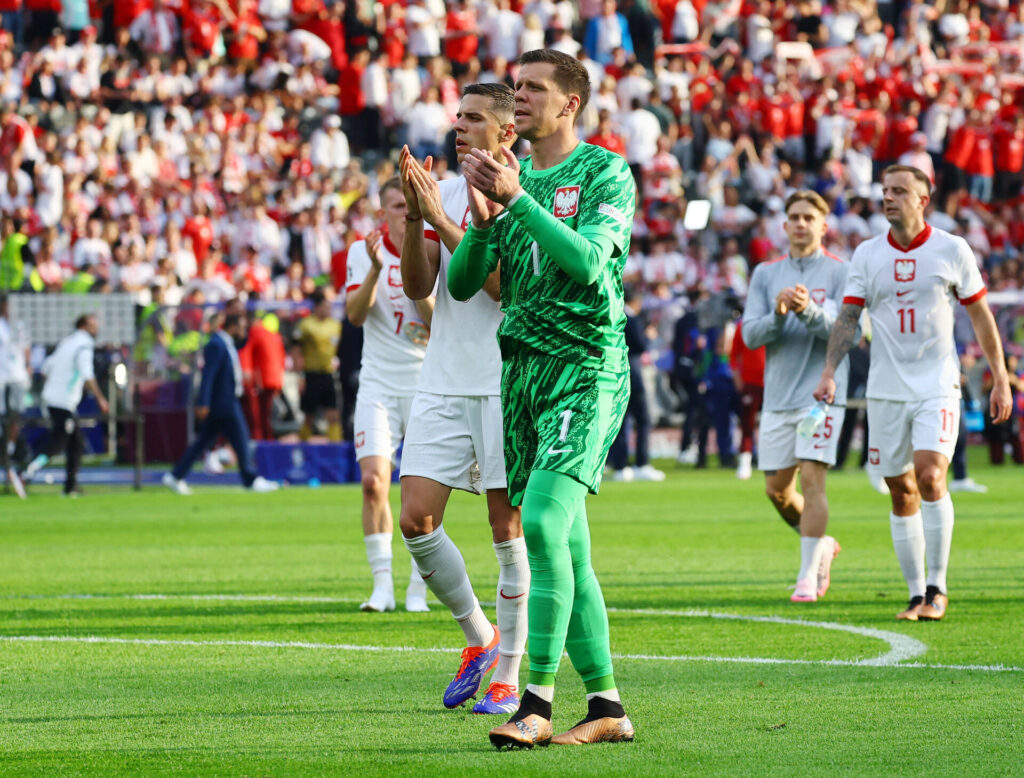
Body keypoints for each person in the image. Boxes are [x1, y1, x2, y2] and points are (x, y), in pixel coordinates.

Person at [449, 49, 635, 749]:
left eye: (534, 88)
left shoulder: (602, 170)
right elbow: (466, 284)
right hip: (522, 375)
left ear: (569, 105)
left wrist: (518, 200)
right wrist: (485, 217)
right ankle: (608, 706)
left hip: (585, 368)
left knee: (545, 527)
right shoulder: (510, 178)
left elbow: (589, 264)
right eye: (516, 86)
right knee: (571, 550)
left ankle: (534, 701)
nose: (518, 97)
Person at [814, 165, 1012, 622]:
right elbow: (847, 320)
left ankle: (937, 588)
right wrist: (829, 371)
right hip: (886, 390)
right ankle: (914, 593)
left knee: (928, 476)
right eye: (886, 191)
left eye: (901, 191)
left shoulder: (951, 249)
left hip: (937, 386)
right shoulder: (866, 254)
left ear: (923, 199)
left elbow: (981, 316)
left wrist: (1000, 377)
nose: (890, 198)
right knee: (900, 490)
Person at [396, 83, 530, 715]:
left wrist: (444, 222)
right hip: (444, 375)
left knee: (507, 529)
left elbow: (505, 288)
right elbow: (420, 286)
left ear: (506, 134)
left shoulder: (522, 200)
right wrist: (413, 220)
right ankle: (480, 638)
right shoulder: (442, 190)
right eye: (457, 117)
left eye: (473, 119)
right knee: (416, 519)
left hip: (507, 381)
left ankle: (508, 676)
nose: (459, 128)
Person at [742, 190, 849, 603]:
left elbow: (852, 332)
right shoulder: (766, 274)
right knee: (778, 491)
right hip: (778, 398)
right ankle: (821, 544)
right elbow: (751, 334)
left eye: (809, 217)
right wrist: (780, 314)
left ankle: (806, 577)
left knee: (812, 475)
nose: (801, 223)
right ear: (784, 226)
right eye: (794, 217)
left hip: (821, 396)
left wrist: (809, 311)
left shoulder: (842, 272)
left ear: (824, 226)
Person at [345, 176, 433, 614]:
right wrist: (378, 272)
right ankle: (382, 586)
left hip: (426, 386)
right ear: (382, 211)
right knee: (373, 483)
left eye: (408, 204)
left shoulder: (433, 246)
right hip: (378, 384)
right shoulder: (363, 252)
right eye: (396, 205)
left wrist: (414, 282)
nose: (403, 212)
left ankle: (418, 589)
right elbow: (355, 316)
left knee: (420, 497)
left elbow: (438, 324)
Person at [163, 313, 279, 495]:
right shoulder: (217, 344)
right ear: (232, 327)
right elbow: (208, 376)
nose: (243, 332)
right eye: (240, 327)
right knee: (241, 437)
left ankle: (176, 475)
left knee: (202, 442)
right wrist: (204, 402)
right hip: (223, 402)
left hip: (223, 401)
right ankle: (250, 478)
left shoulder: (225, 343)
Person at [23, 314, 109, 497]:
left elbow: (46, 368)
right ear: (84, 326)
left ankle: (70, 486)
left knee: (75, 442)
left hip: (55, 398)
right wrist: (101, 398)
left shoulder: (67, 342)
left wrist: (55, 384)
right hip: (62, 400)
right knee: (60, 441)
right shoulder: (84, 345)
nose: (97, 329)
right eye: (94, 325)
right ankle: (27, 471)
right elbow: (87, 374)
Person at [606, 286, 664, 482]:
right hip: (633, 373)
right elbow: (640, 346)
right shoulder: (632, 320)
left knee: (621, 420)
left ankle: (621, 465)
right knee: (643, 419)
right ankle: (641, 462)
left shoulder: (612, 316)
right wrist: (648, 336)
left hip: (616, 372)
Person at [292, 289, 342, 441]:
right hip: (311, 374)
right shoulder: (306, 325)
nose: (329, 310)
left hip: (328, 374)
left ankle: (335, 449)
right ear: (318, 307)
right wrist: (299, 374)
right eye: (326, 307)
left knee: (333, 414)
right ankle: (303, 445)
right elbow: (295, 349)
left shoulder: (335, 325)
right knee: (309, 415)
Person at [0, 293, 29, 497]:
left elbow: (25, 347)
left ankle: (9, 450)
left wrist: (27, 366)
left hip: (17, 376)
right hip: (1, 376)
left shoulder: (20, 325)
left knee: (15, 416)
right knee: (3, 417)